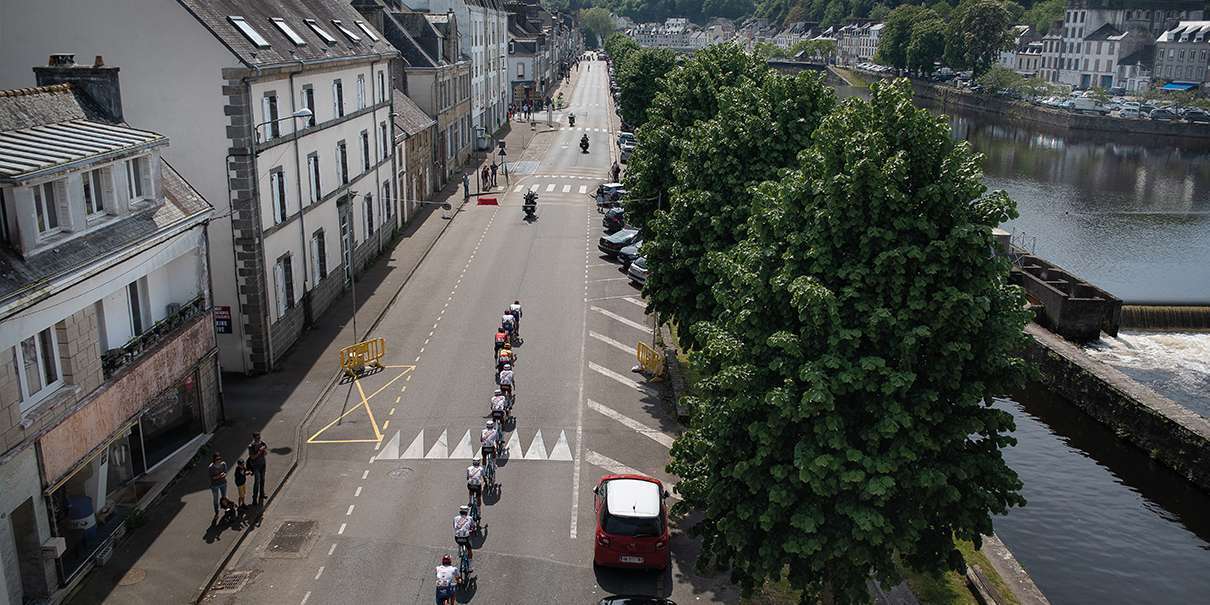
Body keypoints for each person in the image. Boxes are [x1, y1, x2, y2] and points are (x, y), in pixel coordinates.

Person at [247, 432, 268, 506]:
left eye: (259, 437)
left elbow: (265, 453)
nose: (258, 439)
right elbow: (252, 457)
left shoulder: (262, 443)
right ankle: (254, 498)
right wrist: (259, 451)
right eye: (257, 438)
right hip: (256, 466)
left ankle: (262, 494)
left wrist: (264, 451)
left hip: (263, 464)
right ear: (254, 438)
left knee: (263, 480)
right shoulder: (251, 446)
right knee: (257, 482)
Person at [208, 452, 228, 521]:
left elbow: (225, 472)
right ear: (214, 460)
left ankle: (226, 510)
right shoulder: (211, 467)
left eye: (220, 458)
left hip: (223, 483)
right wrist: (219, 476)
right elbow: (212, 478)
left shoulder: (223, 464)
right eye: (217, 459)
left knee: (224, 497)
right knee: (215, 500)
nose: (219, 460)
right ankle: (216, 513)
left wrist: (224, 474)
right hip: (215, 485)